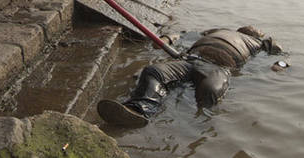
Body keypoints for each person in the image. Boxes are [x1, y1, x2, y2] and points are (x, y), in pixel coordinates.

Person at [97, 26, 285, 127]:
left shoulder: (259, 43)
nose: (252, 28)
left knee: (210, 90)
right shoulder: (219, 30)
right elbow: (188, 34)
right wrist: (170, 38)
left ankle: (195, 125)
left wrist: (280, 65)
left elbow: (284, 56)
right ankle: (139, 110)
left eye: (255, 30)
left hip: (218, 68)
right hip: (189, 60)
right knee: (153, 71)